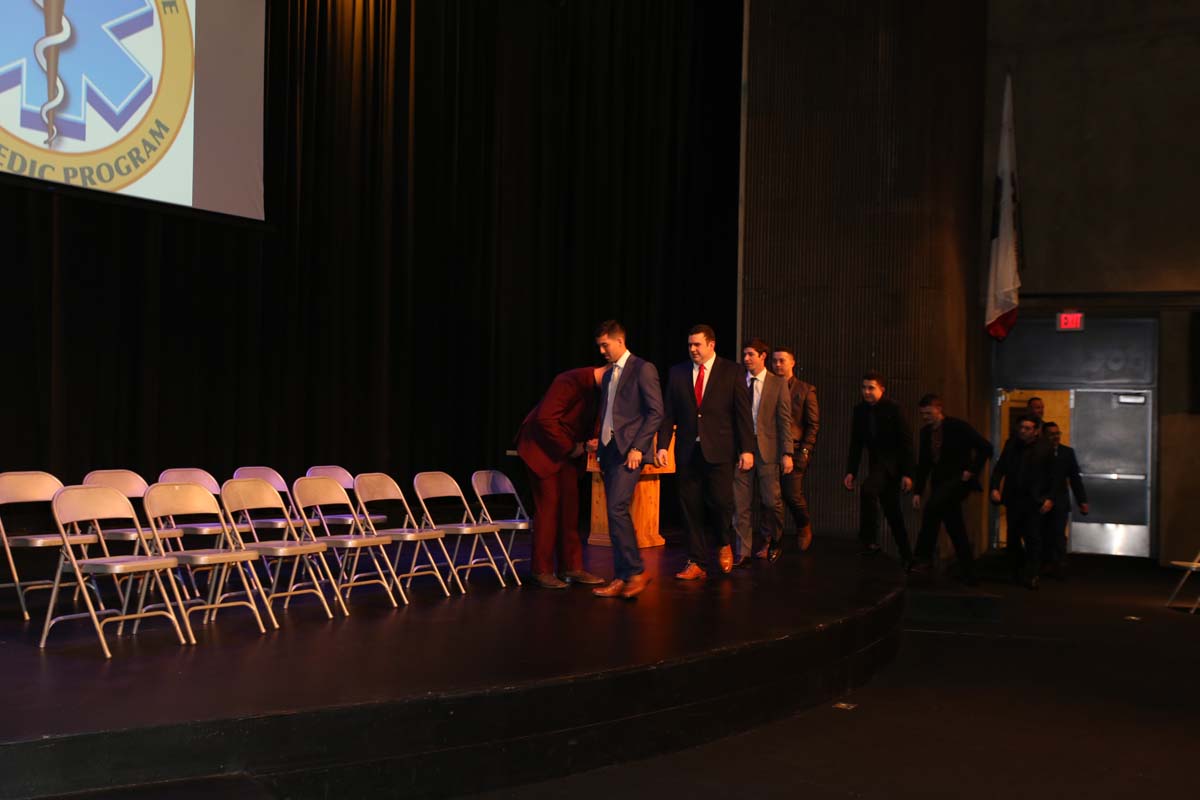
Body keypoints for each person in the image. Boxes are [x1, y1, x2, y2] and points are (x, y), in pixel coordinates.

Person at [655, 324, 754, 578]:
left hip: (720, 450)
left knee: (721, 503)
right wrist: (663, 445)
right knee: (690, 506)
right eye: (690, 345)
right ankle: (696, 561)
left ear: (711, 345)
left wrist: (747, 449)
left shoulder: (731, 372)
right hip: (688, 450)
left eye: (697, 344)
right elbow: (669, 413)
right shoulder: (678, 373)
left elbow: (742, 415)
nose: (693, 349)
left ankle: (723, 543)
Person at [516, 366, 609, 589]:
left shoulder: (600, 391)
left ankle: (571, 567)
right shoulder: (569, 380)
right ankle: (541, 570)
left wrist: (593, 440)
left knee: (570, 507)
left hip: (567, 451)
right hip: (542, 447)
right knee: (548, 508)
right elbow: (545, 420)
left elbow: (594, 419)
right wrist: (572, 447)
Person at [591, 320, 663, 600]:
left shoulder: (642, 369)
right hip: (609, 451)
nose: (601, 350)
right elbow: (609, 411)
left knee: (617, 508)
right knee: (614, 512)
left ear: (619, 341)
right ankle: (622, 576)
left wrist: (638, 447)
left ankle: (635, 571)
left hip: (629, 453)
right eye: (599, 346)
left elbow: (655, 412)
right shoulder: (609, 375)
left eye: (605, 345)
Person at [910, 394, 993, 585]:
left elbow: (986, 447)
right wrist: (918, 491)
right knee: (954, 525)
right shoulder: (925, 433)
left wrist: (971, 470)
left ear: (939, 409)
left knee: (932, 509)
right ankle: (969, 570)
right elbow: (923, 464)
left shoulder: (958, 427)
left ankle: (923, 558)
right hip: (940, 484)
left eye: (928, 413)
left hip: (958, 482)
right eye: (922, 414)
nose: (925, 418)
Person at [732, 339, 793, 565]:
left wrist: (787, 452)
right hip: (741, 449)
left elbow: (785, 420)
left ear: (762, 356)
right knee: (741, 503)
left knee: (770, 500)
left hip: (768, 449)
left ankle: (775, 540)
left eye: (750, 355)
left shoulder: (777, 384)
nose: (746, 359)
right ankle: (743, 551)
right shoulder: (738, 380)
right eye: (744, 355)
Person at [844, 371, 914, 567]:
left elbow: (907, 442)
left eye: (871, 388)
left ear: (882, 389)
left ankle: (871, 541)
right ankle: (905, 555)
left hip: (893, 465)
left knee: (872, 494)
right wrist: (851, 471)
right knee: (891, 510)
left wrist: (908, 473)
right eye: (864, 388)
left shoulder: (894, 409)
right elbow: (856, 443)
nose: (866, 392)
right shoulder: (860, 410)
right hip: (877, 465)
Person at [990, 413, 1058, 590]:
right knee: (1013, 537)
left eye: (1027, 428)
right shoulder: (1011, 444)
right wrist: (995, 487)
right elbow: (1000, 468)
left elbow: (1053, 476)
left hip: (1034, 499)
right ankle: (1015, 571)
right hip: (1014, 498)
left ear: (1036, 431)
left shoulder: (1045, 447)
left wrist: (1050, 498)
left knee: (1033, 537)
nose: (1023, 431)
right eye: (1021, 427)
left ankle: (1032, 573)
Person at [771, 347, 819, 551]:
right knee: (771, 498)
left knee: (792, 495)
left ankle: (803, 525)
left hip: (796, 449)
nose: (778, 364)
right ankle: (773, 539)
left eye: (782, 360)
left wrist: (805, 452)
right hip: (770, 449)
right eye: (774, 361)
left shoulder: (805, 390)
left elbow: (813, 424)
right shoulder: (768, 387)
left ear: (792, 363)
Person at [1040, 421, 1089, 579]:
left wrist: (1082, 500)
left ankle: (1060, 563)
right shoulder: (1038, 452)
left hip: (1060, 500)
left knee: (1058, 533)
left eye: (1057, 433)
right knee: (1043, 532)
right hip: (1041, 498)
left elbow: (1074, 478)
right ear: (1044, 435)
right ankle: (1045, 562)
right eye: (1051, 434)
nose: (1055, 437)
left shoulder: (1067, 453)